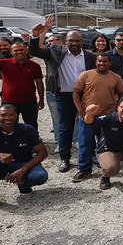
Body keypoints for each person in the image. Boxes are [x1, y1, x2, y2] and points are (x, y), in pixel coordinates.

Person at [29, 16, 97, 173]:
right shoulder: (55, 52)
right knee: (65, 128)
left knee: (87, 127)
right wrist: (36, 35)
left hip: (85, 97)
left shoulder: (90, 57)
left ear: (82, 42)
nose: (74, 44)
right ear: (66, 42)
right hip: (64, 96)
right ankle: (65, 158)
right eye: (71, 41)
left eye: (77, 41)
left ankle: (90, 156)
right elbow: (34, 51)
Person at [0, 104, 48, 214]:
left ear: (16, 116)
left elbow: (42, 153)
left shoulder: (27, 129)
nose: (7, 118)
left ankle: (23, 184)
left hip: (23, 164)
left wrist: (22, 170)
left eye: (11, 115)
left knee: (41, 176)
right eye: (3, 115)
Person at [72, 54, 123, 182]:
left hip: (107, 118)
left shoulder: (115, 77)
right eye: (100, 61)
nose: (102, 63)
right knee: (85, 142)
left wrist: (117, 110)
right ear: (95, 62)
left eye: (105, 61)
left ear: (109, 63)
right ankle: (84, 169)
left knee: (104, 143)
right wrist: (80, 109)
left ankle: (103, 165)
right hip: (88, 116)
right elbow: (76, 92)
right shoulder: (85, 75)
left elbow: (122, 94)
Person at [0, 41, 44, 128]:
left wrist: (41, 99)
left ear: (26, 50)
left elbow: (39, 83)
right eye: (16, 50)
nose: (19, 52)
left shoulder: (35, 66)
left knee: (32, 125)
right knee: (9, 125)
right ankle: (10, 141)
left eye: (21, 50)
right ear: (11, 52)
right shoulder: (4, 63)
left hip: (29, 101)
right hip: (9, 102)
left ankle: (32, 141)